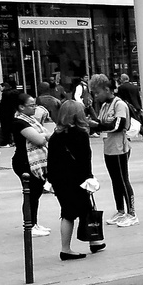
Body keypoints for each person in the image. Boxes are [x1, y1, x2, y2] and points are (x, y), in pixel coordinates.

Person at [47, 100, 103, 260]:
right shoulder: (81, 135)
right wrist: (89, 179)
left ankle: (95, 241)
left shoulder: (55, 136)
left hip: (59, 180)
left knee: (80, 209)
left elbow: (51, 161)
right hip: (77, 180)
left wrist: (50, 180)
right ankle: (66, 249)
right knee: (71, 213)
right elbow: (85, 160)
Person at [89, 74, 137, 227]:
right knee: (115, 180)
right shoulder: (104, 105)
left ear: (107, 89)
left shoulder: (119, 104)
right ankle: (120, 210)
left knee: (123, 180)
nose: (96, 96)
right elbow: (100, 122)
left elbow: (118, 125)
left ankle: (132, 213)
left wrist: (97, 126)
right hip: (109, 147)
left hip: (119, 147)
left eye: (97, 93)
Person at [1, 91, 51, 237]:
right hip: (25, 162)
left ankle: (34, 223)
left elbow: (46, 135)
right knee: (31, 194)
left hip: (31, 162)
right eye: (31, 105)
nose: (35, 107)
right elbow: (40, 140)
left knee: (35, 193)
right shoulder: (19, 122)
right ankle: (29, 225)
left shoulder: (30, 121)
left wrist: (43, 135)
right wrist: (43, 136)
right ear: (21, 107)